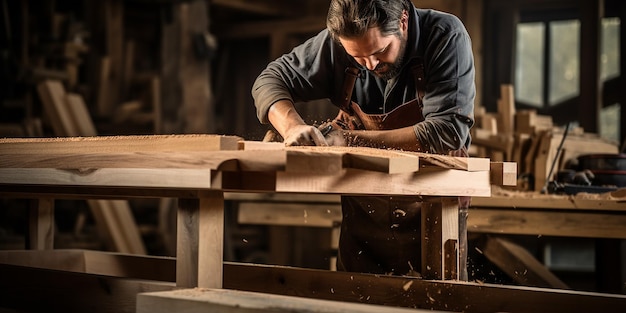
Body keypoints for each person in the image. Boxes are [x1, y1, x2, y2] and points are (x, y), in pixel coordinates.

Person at [251, 0, 475, 280]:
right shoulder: (338, 43)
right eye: (358, 58)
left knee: (437, 300)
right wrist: (292, 126)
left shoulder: (445, 35)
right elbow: (269, 80)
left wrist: (348, 140)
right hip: (364, 214)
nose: (371, 65)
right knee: (354, 299)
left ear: (403, 22)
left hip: (433, 208)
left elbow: (447, 131)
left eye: (380, 51)